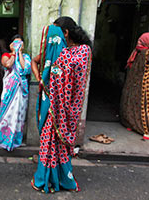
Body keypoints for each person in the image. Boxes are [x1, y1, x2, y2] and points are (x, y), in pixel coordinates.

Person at [31, 16, 92, 193]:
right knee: (47, 142)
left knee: (59, 145)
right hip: (50, 104)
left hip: (67, 107)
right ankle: (46, 177)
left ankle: (62, 179)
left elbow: (74, 80)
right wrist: (40, 79)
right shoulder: (53, 51)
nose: (51, 37)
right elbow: (36, 62)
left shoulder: (82, 51)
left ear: (65, 33)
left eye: (55, 33)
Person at [120, 32, 149, 142]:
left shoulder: (138, 50)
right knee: (145, 107)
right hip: (144, 85)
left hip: (135, 84)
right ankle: (146, 132)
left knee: (134, 104)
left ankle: (131, 125)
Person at [0, 34, 31, 151]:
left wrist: (20, 53)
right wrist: (14, 53)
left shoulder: (26, 57)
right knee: (8, 114)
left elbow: (25, 69)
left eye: (20, 44)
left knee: (19, 115)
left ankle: (15, 139)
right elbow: (8, 64)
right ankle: (4, 138)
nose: (17, 46)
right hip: (10, 89)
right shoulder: (6, 56)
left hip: (21, 89)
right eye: (15, 43)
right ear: (10, 45)